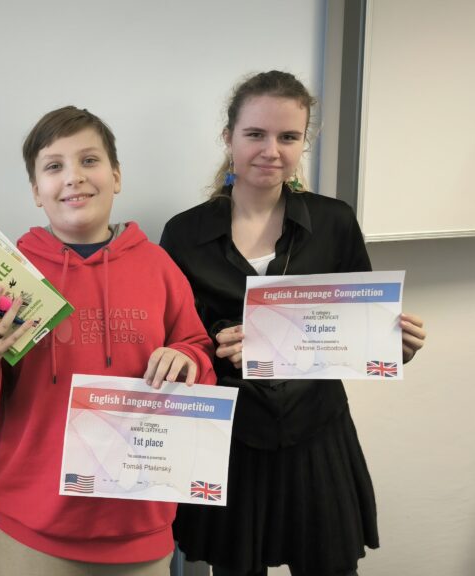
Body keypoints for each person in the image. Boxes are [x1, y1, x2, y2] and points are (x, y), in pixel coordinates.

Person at [159, 71, 428, 576]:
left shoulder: (334, 222)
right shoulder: (183, 233)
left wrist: (395, 347)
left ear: (304, 141)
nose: (271, 151)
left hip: (316, 431)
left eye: (288, 136)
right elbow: (175, 342)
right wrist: (215, 346)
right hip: (233, 439)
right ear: (228, 138)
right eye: (255, 134)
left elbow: (358, 333)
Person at [0, 106, 217, 576]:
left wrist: (186, 357)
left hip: (141, 531)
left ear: (116, 176)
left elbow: (200, 357)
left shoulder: (159, 267)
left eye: (89, 160)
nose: (74, 177)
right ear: (36, 191)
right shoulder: (5, 275)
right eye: (54, 166)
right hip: (29, 533)